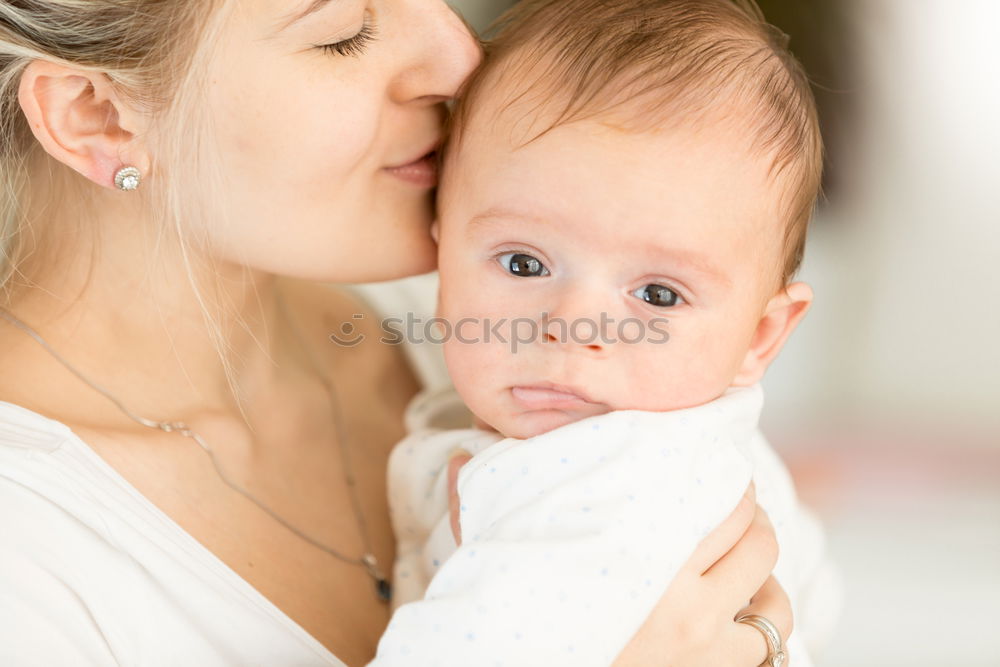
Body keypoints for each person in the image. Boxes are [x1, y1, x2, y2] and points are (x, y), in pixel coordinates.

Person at [0, 0, 792, 665]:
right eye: (344, 31)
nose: (458, 57)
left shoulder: (501, 312)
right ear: (95, 116)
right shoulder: (28, 564)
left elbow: (797, 602)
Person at [378, 0, 839, 664]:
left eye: (658, 293)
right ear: (440, 252)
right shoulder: (720, 449)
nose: (571, 326)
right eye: (524, 263)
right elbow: (815, 595)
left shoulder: (592, 479)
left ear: (760, 337)